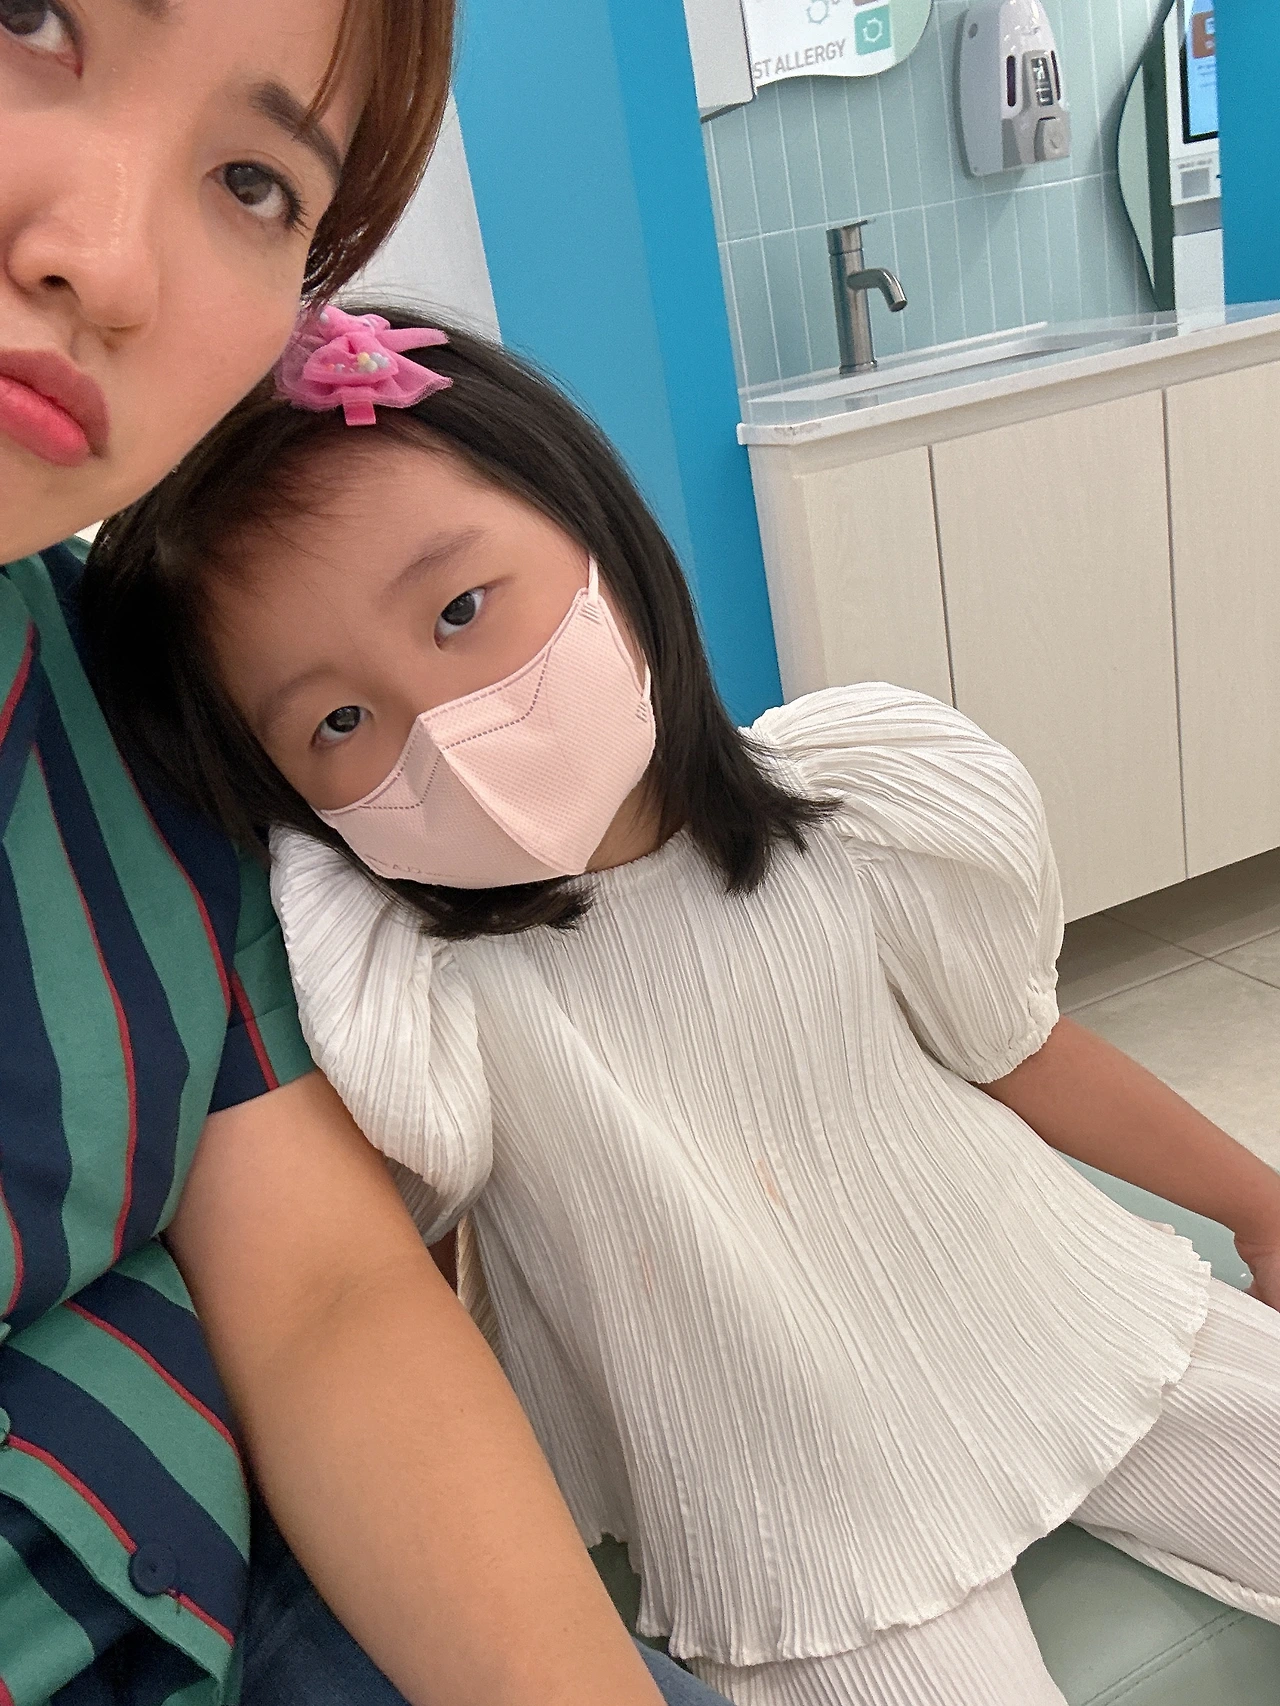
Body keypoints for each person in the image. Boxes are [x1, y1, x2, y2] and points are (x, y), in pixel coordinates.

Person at [83, 303, 1280, 1706]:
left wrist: (1255, 1202)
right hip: (784, 1494)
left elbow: (1020, 1050)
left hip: (1047, 1305)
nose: (442, 724)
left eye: (462, 610)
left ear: (593, 527)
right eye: (337, 723)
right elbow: (403, 1293)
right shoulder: (407, 994)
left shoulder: (859, 813)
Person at [0, 4, 734, 1702]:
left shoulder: (118, 715)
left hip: (245, 1582)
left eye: (254, 182)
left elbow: (326, 1294)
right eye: (31, 14)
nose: (109, 263)